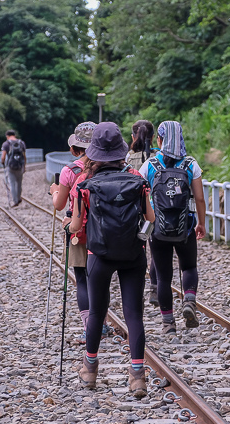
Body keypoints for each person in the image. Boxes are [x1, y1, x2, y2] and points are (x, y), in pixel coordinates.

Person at [67, 122, 155, 398]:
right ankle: (137, 377)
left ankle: (90, 370)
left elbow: (76, 225)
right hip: (133, 255)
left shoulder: (84, 183)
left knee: (96, 312)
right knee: (133, 314)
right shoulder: (136, 178)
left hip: (99, 256)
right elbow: (151, 219)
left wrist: (68, 225)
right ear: (121, 150)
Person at [139, 121, 206, 333]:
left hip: (157, 230)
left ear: (159, 140)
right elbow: (200, 199)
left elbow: (140, 196)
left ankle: (168, 323)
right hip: (184, 228)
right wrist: (201, 223)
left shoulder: (149, 165)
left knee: (164, 276)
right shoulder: (190, 164)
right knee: (189, 266)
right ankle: (188, 300)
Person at [50, 122, 106, 344]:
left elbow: (59, 203)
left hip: (79, 229)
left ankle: (90, 328)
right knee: (100, 279)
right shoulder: (108, 166)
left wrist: (54, 192)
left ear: (75, 149)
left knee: (82, 278)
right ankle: (100, 324)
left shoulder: (70, 171)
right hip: (105, 229)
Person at [126, 120, 160, 307]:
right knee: (155, 251)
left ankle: (136, 289)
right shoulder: (158, 156)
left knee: (140, 249)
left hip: (135, 213)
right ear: (153, 137)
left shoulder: (128, 158)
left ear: (133, 137)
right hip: (155, 213)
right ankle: (154, 288)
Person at [1, 129, 27, 207]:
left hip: (11, 166)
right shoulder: (21, 143)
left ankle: (15, 200)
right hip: (19, 165)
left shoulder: (6, 144)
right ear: (14, 135)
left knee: (12, 183)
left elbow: (3, 157)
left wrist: (3, 163)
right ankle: (18, 198)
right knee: (19, 183)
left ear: (7, 136)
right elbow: (24, 156)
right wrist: (24, 166)